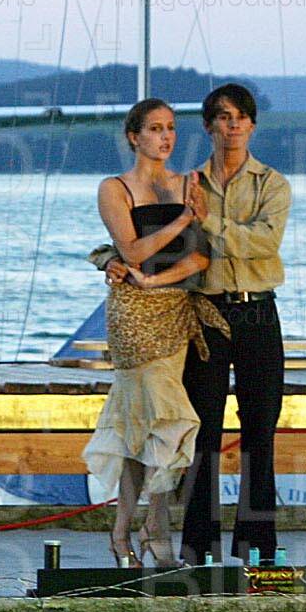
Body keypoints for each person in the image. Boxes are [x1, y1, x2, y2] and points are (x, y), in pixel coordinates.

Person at [108, 83, 290, 564]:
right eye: (224, 118)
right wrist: (109, 258)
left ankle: (257, 547)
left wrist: (207, 222)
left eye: (241, 118)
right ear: (208, 126)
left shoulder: (272, 183)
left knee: (260, 429)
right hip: (205, 312)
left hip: (258, 311)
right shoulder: (187, 183)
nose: (233, 126)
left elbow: (264, 244)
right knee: (202, 432)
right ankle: (198, 548)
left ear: (252, 125)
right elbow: (148, 238)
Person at [84, 99, 228, 568]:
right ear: (134, 136)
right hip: (132, 317)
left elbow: (200, 257)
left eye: (170, 129)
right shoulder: (115, 187)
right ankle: (155, 526)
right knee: (171, 421)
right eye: (155, 129)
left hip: (174, 309)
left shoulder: (188, 183)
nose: (166, 137)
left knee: (142, 427)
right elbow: (132, 249)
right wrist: (183, 220)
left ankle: (125, 530)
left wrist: (157, 281)